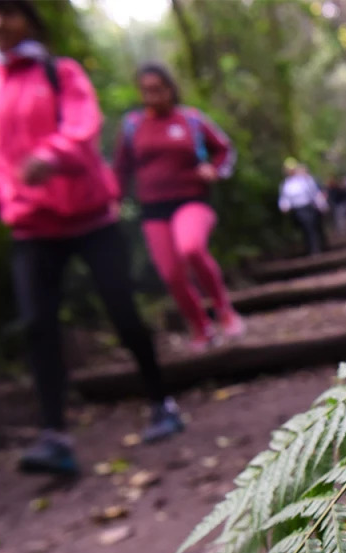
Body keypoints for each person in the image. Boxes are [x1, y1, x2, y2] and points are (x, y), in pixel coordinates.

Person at [0, 0, 183, 476]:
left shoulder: (58, 72)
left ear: (28, 17)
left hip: (90, 217)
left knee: (122, 311)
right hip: (31, 224)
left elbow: (82, 127)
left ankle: (161, 401)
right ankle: (54, 437)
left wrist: (53, 155)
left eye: (6, 11)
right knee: (38, 325)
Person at [114, 62, 243, 353]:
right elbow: (121, 168)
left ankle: (224, 311)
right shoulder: (133, 126)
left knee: (191, 248)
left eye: (158, 89)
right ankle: (200, 326)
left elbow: (225, 149)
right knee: (171, 274)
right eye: (146, 91)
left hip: (192, 200)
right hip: (153, 210)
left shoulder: (191, 120)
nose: (152, 96)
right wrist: (116, 199)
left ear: (170, 89)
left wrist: (215, 169)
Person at [278, 159, 328, 255]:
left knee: (311, 228)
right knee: (305, 229)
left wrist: (321, 205)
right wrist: (284, 206)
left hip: (309, 208)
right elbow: (285, 198)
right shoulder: (286, 184)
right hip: (297, 210)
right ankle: (310, 248)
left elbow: (315, 193)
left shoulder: (305, 179)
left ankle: (315, 249)